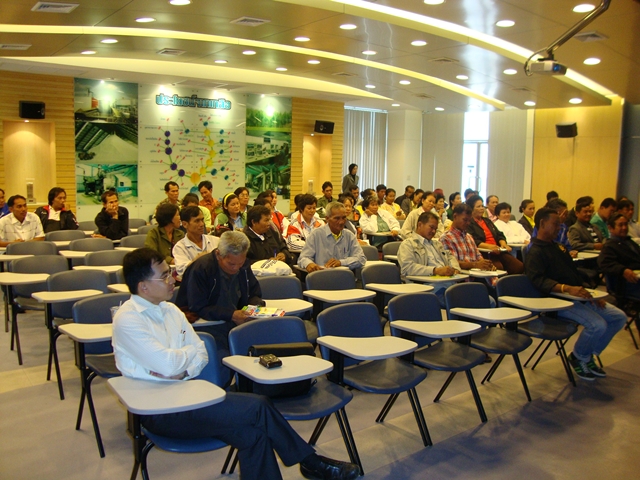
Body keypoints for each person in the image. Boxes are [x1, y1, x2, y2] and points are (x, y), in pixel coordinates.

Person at [113, 248, 359, 480]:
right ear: (143, 286)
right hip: (160, 410)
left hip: (191, 394)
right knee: (257, 406)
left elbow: (201, 353)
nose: (172, 280)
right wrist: (182, 360)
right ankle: (311, 463)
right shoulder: (129, 319)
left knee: (254, 435)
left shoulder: (171, 310)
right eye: (164, 275)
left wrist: (182, 368)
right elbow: (169, 365)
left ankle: (310, 463)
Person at [525, 207, 626, 381]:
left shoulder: (558, 247)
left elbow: (574, 273)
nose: (559, 228)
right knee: (597, 325)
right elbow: (538, 281)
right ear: (542, 224)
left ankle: (587, 354)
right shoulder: (534, 251)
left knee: (618, 317)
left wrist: (591, 294)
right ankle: (579, 357)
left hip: (577, 296)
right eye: (555, 224)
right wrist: (566, 288)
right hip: (557, 301)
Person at [176, 231, 263, 352]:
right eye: (231, 264)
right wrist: (231, 315)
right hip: (207, 325)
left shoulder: (243, 266)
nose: (236, 268)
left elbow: (254, 292)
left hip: (237, 321)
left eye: (240, 263)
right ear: (218, 255)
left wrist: (254, 308)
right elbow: (197, 306)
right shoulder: (201, 268)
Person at [397, 211, 460, 305]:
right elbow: (407, 268)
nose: (434, 231)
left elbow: (450, 256)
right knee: (461, 302)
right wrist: (435, 270)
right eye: (431, 227)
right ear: (420, 225)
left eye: (435, 229)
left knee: (481, 297)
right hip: (428, 289)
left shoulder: (437, 244)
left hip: (449, 284)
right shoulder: (408, 244)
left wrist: (455, 268)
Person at [298, 202, 367, 272]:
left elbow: (361, 259)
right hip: (322, 276)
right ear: (327, 219)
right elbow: (303, 258)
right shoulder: (316, 235)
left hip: (344, 276)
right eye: (337, 218)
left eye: (344, 218)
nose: (341, 222)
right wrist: (309, 264)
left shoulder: (349, 235)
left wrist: (341, 262)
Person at [465, 195, 524, 274]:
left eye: (482, 206)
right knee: (499, 268)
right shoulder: (469, 223)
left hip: (498, 250)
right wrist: (490, 247)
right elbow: (474, 241)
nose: (482, 208)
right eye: (478, 206)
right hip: (484, 252)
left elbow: (499, 234)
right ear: (471, 208)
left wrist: (503, 244)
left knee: (519, 266)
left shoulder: (487, 221)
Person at [440, 204, 495, 271]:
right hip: (462, 275)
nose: (468, 223)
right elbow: (452, 263)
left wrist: (486, 265)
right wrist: (475, 265)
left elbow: (478, 256)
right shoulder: (446, 238)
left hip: (477, 273)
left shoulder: (469, 237)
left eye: (469, 220)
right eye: (465, 220)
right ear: (455, 216)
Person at [597, 213, 640, 299]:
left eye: (625, 224)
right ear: (610, 228)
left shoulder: (629, 242)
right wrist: (623, 270)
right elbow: (604, 263)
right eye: (620, 225)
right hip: (626, 283)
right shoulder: (609, 246)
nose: (624, 228)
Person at [172, 206, 219, 278]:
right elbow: (182, 271)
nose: (202, 224)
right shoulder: (180, 247)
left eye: (202, 220)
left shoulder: (216, 241)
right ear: (185, 224)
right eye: (197, 221)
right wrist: (199, 260)